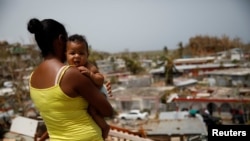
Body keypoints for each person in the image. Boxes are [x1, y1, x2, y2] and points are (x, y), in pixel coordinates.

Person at [27, 18, 113, 141]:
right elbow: (107, 111)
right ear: (61, 40)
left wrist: (99, 89)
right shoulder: (70, 74)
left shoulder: (32, 78)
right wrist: (101, 93)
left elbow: (62, 113)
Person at [66, 34, 111, 139]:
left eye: (81, 53)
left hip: (100, 93)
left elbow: (101, 79)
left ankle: (105, 127)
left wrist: (91, 75)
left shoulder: (89, 67)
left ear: (87, 55)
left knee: (92, 110)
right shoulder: (69, 69)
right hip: (90, 96)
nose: (77, 56)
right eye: (72, 53)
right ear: (66, 55)